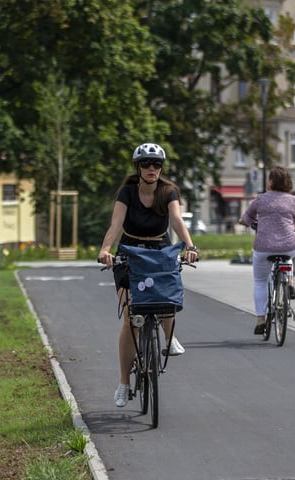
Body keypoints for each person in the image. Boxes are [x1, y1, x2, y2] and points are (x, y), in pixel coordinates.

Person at [97, 143, 199, 408]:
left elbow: (176, 220)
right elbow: (116, 225)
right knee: (132, 316)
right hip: (130, 252)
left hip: (159, 250)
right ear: (137, 168)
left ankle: (169, 337)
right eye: (146, 164)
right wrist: (106, 249)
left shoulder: (169, 192)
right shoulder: (127, 192)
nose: (152, 169)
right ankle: (123, 383)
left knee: (165, 297)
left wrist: (190, 246)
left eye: (156, 164)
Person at [239, 166, 295, 334]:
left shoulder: (261, 199)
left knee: (260, 281)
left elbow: (245, 218)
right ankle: (289, 281)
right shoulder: (293, 201)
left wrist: (248, 222)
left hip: (264, 247)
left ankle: (261, 319)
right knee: (288, 254)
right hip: (289, 244)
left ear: (270, 182)